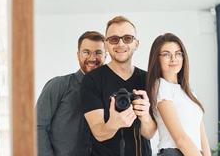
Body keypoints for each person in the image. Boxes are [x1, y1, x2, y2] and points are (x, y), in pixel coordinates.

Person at [81, 16, 156, 156]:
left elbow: (150, 133)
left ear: (136, 44)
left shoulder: (148, 79)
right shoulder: (92, 80)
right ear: (106, 45)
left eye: (127, 38)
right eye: (114, 39)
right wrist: (113, 123)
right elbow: (98, 133)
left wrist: (145, 116)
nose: (120, 44)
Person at [36, 31, 106, 156]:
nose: (92, 58)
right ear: (78, 55)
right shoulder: (58, 85)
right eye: (86, 52)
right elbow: (37, 126)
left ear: (106, 56)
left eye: (98, 52)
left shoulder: (110, 90)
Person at [146, 33, 211, 156]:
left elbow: (202, 135)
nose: (174, 59)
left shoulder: (188, 90)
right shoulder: (160, 86)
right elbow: (180, 139)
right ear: (157, 58)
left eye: (178, 53)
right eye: (166, 54)